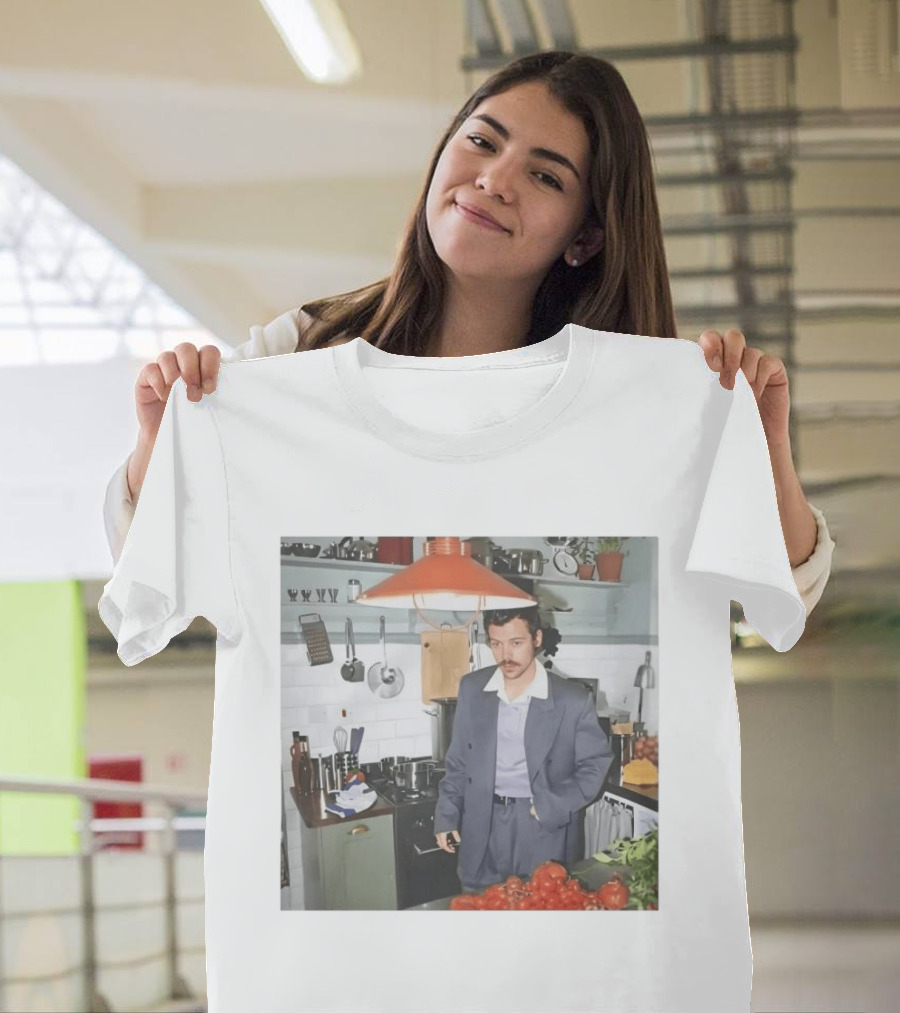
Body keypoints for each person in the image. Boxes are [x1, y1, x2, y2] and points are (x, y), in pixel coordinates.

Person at [103, 49, 835, 604]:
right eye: (483, 141)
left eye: (545, 176)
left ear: (585, 237)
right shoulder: (302, 350)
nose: (494, 179)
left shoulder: (638, 399)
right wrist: (156, 441)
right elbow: (153, 563)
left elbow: (786, 587)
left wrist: (761, 446)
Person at [433, 606, 613, 892]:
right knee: (481, 910)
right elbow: (458, 762)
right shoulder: (472, 688)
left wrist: (550, 805)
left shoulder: (572, 699)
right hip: (482, 822)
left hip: (541, 825)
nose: (505, 655)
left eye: (516, 643)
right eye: (496, 644)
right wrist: (447, 815)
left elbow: (596, 763)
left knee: (540, 914)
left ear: (537, 638)